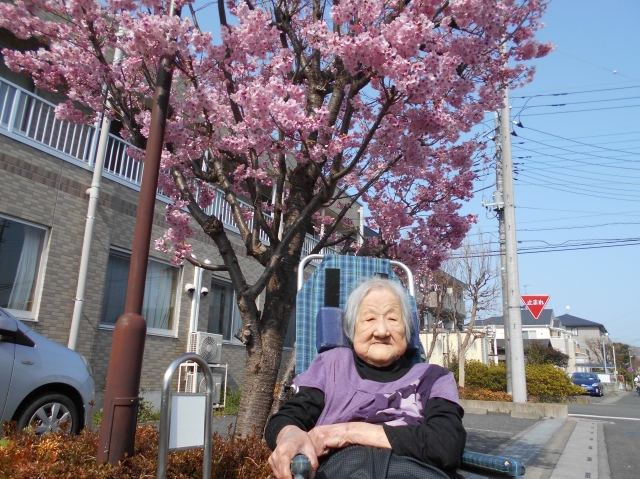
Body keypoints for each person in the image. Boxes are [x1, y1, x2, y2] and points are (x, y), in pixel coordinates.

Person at [266, 278, 466, 479]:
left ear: (406, 330)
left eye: (393, 319)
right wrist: (289, 435)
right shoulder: (331, 365)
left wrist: (347, 432)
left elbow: (447, 446)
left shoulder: (434, 378)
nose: (382, 331)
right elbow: (288, 417)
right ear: (351, 329)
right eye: (370, 319)